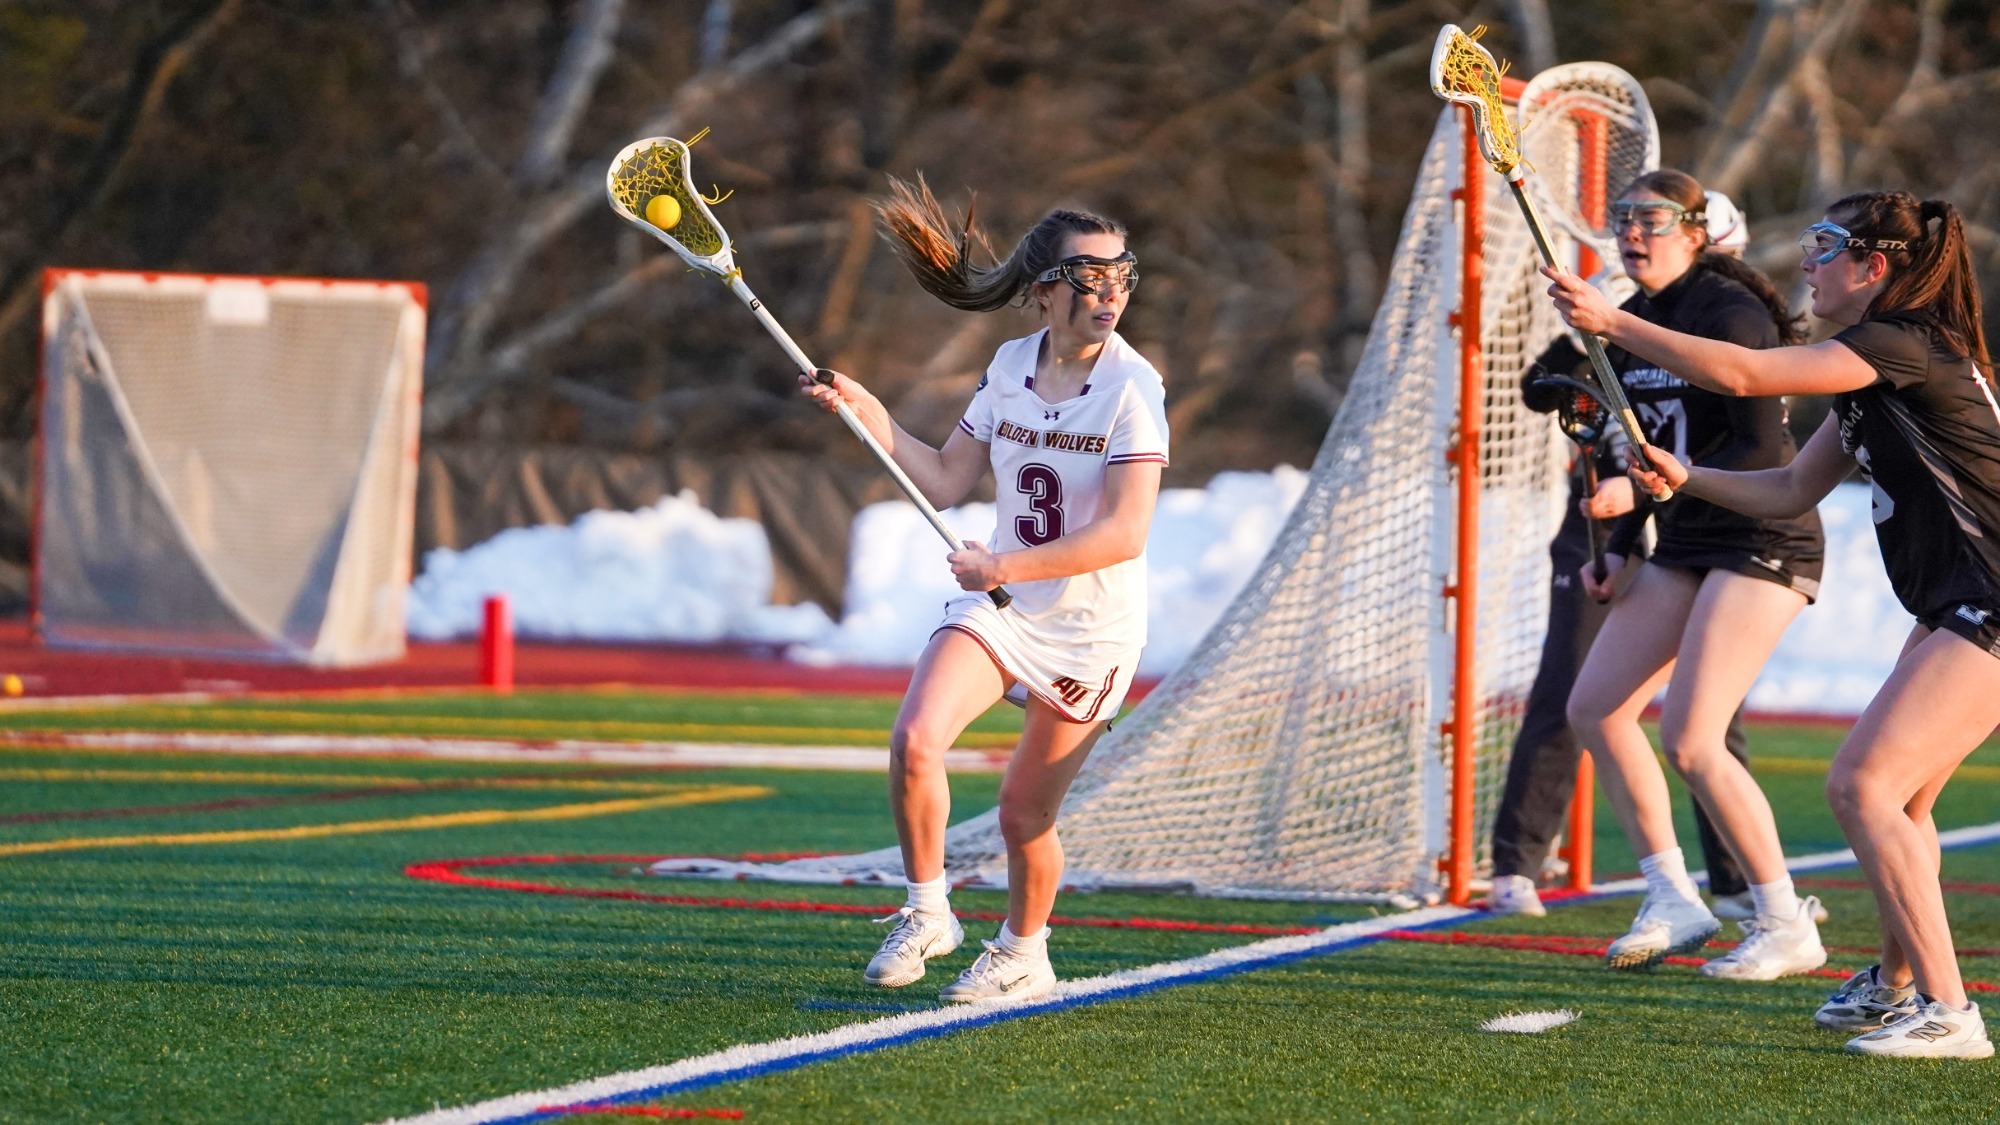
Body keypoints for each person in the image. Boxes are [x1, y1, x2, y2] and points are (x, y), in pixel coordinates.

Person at [1551, 189, 1997, 1057]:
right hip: (1960, 597)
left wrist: (1614, 322)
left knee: (1860, 785)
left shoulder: (1900, 344)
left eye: (1826, 245)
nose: (1809, 261)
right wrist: (1687, 477)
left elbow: (1746, 375)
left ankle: (1951, 1010)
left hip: (1992, 596)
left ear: (1876, 267)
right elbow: (1792, 488)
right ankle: (1901, 983)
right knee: (1901, 796)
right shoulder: (1876, 374)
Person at [800, 177, 1166, 1004]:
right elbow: (945, 475)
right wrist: (865, 409)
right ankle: (929, 911)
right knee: (916, 738)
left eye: (1121, 275)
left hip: (1089, 633)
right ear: (1042, 292)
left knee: (1022, 816)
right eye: (1088, 277)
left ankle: (1023, 951)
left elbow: (1125, 533)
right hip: (1001, 612)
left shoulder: (1134, 390)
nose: (1109, 293)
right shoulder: (1009, 366)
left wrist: (1002, 566)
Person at [1554, 170, 1828, 980]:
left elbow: (1759, 447)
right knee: (1596, 708)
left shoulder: (1729, 312)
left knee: (1694, 736)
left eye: (1654, 219)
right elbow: (1640, 450)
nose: (1633, 233)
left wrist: (1660, 481)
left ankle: (1784, 919)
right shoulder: (1631, 321)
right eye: (1624, 218)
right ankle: (1671, 895)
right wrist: (1628, 538)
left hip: (1761, 532)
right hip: (1686, 538)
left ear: (1697, 232)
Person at [1485, 338, 1754, 918]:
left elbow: (1735, 446)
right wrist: (1591, 332)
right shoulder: (1616, 332)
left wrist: (1635, 488)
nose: (1634, 242)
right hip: (1601, 543)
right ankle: (1516, 866)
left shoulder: (1715, 333)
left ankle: (1736, 881)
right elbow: (1537, 390)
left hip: (1687, 539)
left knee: (1711, 717)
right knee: (1568, 692)